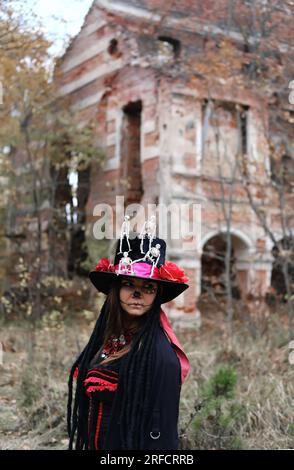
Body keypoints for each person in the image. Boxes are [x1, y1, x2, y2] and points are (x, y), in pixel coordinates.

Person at [67, 226, 190, 450]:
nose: (137, 294)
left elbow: (162, 436)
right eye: (128, 284)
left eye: (148, 287)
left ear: (157, 294)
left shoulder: (161, 356)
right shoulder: (106, 340)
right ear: (115, 290)